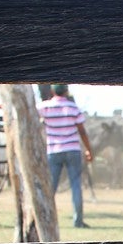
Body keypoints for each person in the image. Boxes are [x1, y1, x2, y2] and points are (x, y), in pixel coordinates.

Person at [38, 84, 94, 228]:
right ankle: (78, 220)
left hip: (53, 151)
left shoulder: (45, 107)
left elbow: (27, 110)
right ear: (66, 91)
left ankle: (47, 218)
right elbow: (82, 131)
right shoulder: (73, 108)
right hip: (72, 150)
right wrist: (89, 150)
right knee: (76, 186)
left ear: (52, 91)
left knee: (51, 187)